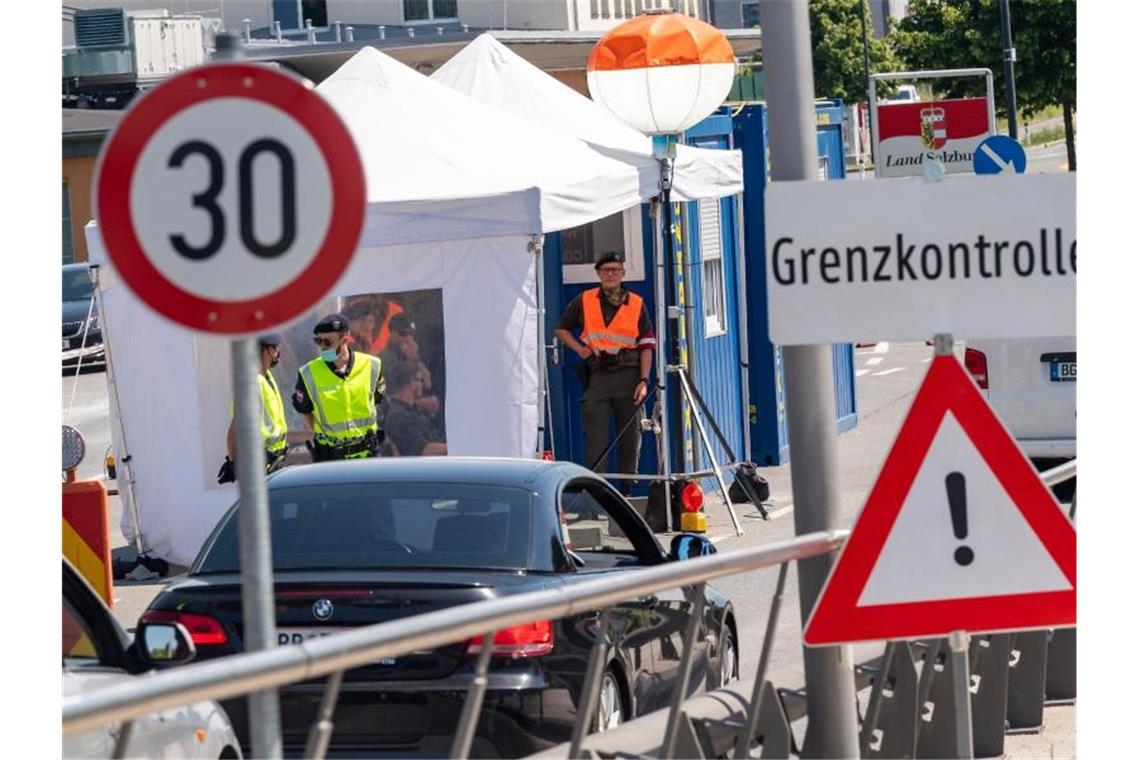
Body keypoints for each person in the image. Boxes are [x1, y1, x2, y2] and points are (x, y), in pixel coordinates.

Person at [553, 251, 655, 487]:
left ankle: (627, 492)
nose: (610, 274)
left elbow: (647, 344)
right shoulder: (585, 300)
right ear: (598, 273)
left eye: (615, 270)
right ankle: (597, 496)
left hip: (630, 375)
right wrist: (580, 350)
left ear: (622, 273)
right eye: (606, 270)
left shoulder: (636, 303)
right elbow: (561, 328)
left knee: (630, 438)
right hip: (598, 376)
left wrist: (643, 380)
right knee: (596, 441)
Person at [292, 313, 385, 461]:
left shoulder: (372, 366)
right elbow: (303, 409)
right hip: (331, 459)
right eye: (318, 341)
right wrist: (321, 433)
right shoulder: (308, 373)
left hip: (368, 456)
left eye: (327, 342)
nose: (322, 346)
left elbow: (376, 401)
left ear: (346, 339)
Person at [217, 334, 287, 484]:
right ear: (268, 351)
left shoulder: (267, 377)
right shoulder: (252, 383)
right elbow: (235, 431)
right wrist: (234, 462)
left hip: (275, 462)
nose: (278, 352)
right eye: (276, 348)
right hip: (261, 466)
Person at [382, 359, 447, 457]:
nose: (423, 384)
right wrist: (454, 446)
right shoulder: (398, 418)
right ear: (411, 384)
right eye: (420, 380)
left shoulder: (413, 411)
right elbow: (424, 450)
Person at [382, 312, 441, 418]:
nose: (408, 338)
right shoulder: (387, 358)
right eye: (404, 334)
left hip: (412, 411)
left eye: (411, 334)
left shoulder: (409, 355)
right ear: (393, 334)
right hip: (396, 416)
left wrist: (415, 357)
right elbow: (393, 395)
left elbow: (428, 383)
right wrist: (421, 403)